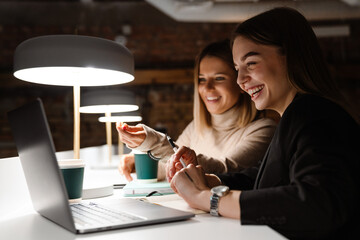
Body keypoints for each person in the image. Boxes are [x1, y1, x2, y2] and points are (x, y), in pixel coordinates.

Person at [169, 7, 359, 240]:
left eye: (251, 64)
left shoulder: (313, 113)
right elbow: (262, 176)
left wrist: (209, 199)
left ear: (291, 56)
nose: (240, 80)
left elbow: (316, 203)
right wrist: (212, 181)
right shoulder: (296, 114)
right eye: (238, 69)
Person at [116, 39, 277, 181]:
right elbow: (170, 167)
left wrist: (156, 142)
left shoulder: (264, 129)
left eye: (219, 78)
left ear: (240, 82)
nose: (207, 88)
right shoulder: (197, 127)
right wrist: (138, 163)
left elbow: (225, 171)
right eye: (202, 79)